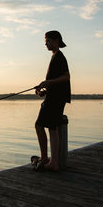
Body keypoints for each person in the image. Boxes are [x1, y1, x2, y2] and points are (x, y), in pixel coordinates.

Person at [33, 30, 71, 171]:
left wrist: (48, 82)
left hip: (56, 99)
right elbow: (55, 82)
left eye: (48, 40)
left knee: (39, 125)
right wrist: (44, 89)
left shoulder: (59, 57)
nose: (46, 43)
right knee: (52, 128)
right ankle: (52, 161)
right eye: (45, 40)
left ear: (56, 41)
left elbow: (67, 77)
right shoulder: (55, 56)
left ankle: (47, 159)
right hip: (54, 96)